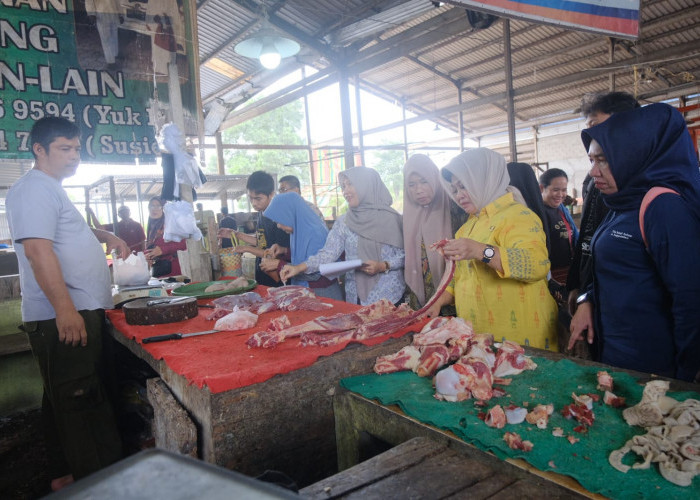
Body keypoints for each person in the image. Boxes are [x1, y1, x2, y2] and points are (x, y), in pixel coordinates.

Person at [6, 117, 127, 491]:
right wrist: (65, 310)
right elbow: (38, 252)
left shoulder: (51, 190)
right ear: (38, 150)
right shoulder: (34, 189)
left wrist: (103, 233)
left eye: (77, 148)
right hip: (65, 312)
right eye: (64, 148)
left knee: (64, 400)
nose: (74, 156)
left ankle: (65, 477)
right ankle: (103, 488)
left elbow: (60, 233)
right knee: (84, 403)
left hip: (75, 309)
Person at [569, 103, 700, 382]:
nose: (593, 172)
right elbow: (612, 268)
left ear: (634, 154)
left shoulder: (662, 207)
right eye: (591, 160)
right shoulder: (621, 203)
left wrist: (686, 382)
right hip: (617, 357)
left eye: (603, 159)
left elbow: (690, 300)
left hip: (653, 369)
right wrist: (588, 299)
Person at [424, 148, 558, 350]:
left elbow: (536, 265)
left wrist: (480, 251)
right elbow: (457, 279)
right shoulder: (466, 228)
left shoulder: (518, 216)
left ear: (484, 180)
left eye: (464, 187)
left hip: (520, 337)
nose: (459, 195)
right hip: (478, 336)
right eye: (454, 190)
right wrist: (437, 302)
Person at [280, 167, 405, 306]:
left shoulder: (391, 219)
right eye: (343, 186)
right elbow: (328, 254)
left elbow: (405, 256)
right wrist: (298, 268)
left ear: (365, 184)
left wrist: (382, 266)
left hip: (389, 296)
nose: (345, 191)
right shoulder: (344, 221)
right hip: (355, 295)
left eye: (350, 184)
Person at [566, 92, 640, 315]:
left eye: (596, 126)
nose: (591, 135)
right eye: (588, 128)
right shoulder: (593, 179)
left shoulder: (645, 188)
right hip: (594, 292)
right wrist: (578, 285)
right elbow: (588, 232)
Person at [402, 154, 466, 312]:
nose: (418, 190)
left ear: (435, 179)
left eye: (424, 181)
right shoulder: (408, 217)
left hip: (453, 293)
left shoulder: (456, 209)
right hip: (419, 295)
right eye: (411, 184)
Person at [261, 192, 343, 300]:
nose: (278, 226)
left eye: (279, 221)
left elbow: (316, 273)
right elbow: (305, 255)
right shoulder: (299, 229)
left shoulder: (314, 233)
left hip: (321, 293)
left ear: (289, 214)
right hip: (306, 291)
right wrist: (284, 251)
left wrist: (279, 265)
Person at [221, 171, 290, 287]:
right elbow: (262, 241)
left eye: (258, 199)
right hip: (263, 274)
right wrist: (236, 234)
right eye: (251, 198)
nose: (254, 203)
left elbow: (273, 253)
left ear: (271, 194)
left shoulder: (278, 219)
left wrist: (246, 248)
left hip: (278, 279)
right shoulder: (262, 213)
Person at [539, 168, 579, 285]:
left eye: (564, 190)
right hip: (551, 276)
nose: (561, 195)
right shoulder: (538, 213)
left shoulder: (562, 209)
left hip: (569, 270)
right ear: (542, 188)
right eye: (556, 190)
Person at [143, 196, 186, 277]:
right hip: (159, 270)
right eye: (151, 206)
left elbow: (184, 244)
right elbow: (151, 246)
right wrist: (147, 255)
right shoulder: (151, 227)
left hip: (175, 269)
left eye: (158, 206)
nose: (154, 209)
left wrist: (163, 249)